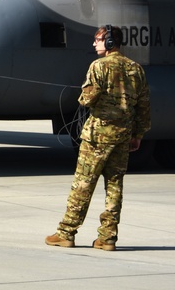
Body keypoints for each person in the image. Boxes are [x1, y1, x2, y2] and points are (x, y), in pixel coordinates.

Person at [46, 25, 151, 251]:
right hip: (122, 137)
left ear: (111, 42)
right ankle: (108, 238)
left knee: (83, 184)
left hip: (98, 137)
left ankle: (66, 232)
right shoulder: (136, 69)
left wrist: (84, 94)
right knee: (114, 185)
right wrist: (138, 135)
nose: (94, 43)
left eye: (99, 39)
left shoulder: (98, 66)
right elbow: (143, 107)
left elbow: (88, 99)